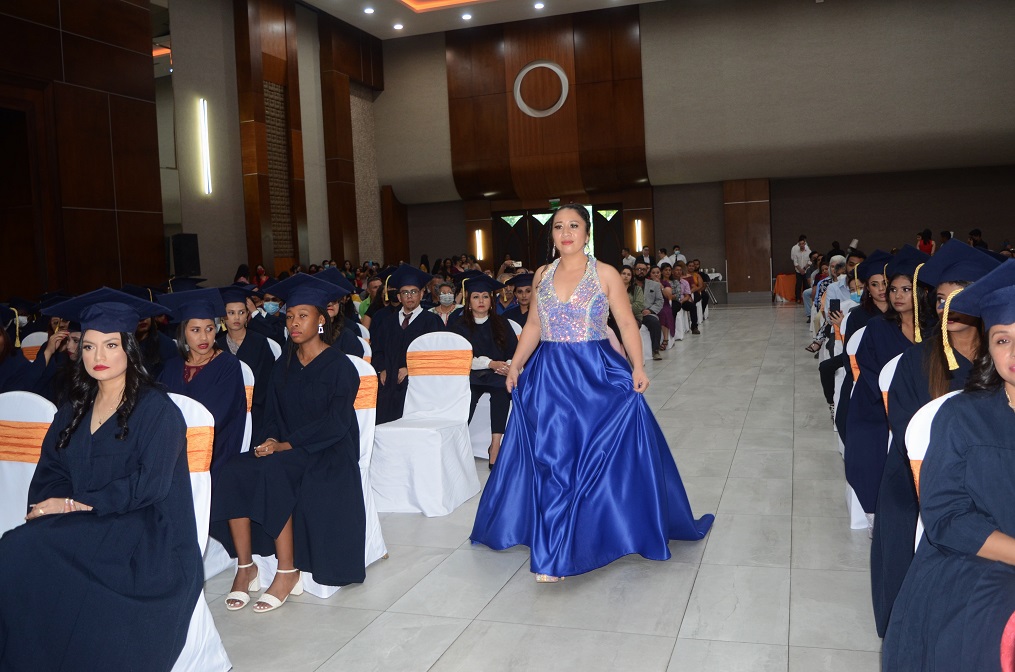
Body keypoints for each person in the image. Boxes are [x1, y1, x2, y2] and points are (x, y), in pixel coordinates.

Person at [470, 205, 713, 582]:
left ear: (586, 233)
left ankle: (588, 535)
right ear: (552, 235)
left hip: (594, 374)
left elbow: (628, 323)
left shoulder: (605, 273)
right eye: (558, 227)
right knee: (554, 459)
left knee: (591, 459)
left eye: (574, 225)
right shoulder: (542, 275)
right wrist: (516, 364)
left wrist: (637, 366)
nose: (565, 232)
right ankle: (554, 547)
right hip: (549, 374)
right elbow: (534, 324)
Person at [0, 288, 202, 671]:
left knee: (27, 549)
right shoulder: (75, 406)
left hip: (145, 532)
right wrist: (56, 501)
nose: (98, 357)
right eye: (89, 347)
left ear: (129, 347)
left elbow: (151, 485)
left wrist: (75, 504)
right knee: (17, 546)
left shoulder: (157, 410)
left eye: (110, 345)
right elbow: (52, 468)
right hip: (89, 522)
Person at [882, 259, 1015, 671]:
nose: (1014, 352)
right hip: (973, 565)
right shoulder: (962, 416)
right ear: (990, 349)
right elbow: (947, 516)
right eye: (1003, 339)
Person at [210, 273, 365, 613]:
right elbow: (272, 414)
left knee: (276, 470)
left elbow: (335, 424)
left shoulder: (340, 366)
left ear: (321, 321)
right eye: (290, 316)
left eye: (303, 316)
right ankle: (246, 566)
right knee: (233, 468)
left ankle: (287, 571)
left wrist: (287, 445)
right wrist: (269, 438)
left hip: (327, 452)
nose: (294, 323)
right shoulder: (283, 365)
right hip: (287, 448)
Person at [844, 245, 931, 534]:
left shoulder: (935, 330)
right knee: (867, 442)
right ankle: (876, 515)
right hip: (879, 407)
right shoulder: (878, 328)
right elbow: (869, 374)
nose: (896, 296)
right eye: (893, 290)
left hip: (928, 406)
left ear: (921, 292)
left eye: (905, 289)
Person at [157, 289, 246, 484]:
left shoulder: (228, 365)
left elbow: (219, 415)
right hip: (174, 444)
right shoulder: (172, 366)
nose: (204, 337)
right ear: (183, 332)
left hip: (214, 447)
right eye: (195, 330)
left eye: (209, 328)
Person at [453, 276, 518, 468]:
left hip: (499, 375)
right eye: (475, 297)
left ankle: (496, 445)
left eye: (485, 296)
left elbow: (514, 352)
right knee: (468, 395)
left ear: (491, 300)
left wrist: (507, 367)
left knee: (501, 390)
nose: (481, 301)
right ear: (468, 301)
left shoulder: (502, 323)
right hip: (471, 374)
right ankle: (458, 444)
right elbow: (461, 357)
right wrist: (490, 364)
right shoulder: (459, 326)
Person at [371, 264, 443, 424]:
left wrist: (412, 368)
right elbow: (377, 349)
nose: (409, 296)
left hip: (418, 385)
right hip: (388, 383)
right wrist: (381, 369)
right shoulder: (387, 322)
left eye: (414, 292)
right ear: (399, 297)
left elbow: (435, 355)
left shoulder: (431, 321)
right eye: (405, 292)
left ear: (422, 294)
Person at [834, 250, 893, 437]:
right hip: (864, 379)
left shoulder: (903, 314)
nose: (881, 289)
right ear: (867, 287)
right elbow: (848, 358)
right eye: (875, 285)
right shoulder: (857, 316)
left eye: (885, 283)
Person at [217, 285, 276, 443]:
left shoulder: (259, 342)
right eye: (231, 313)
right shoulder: (216, 345)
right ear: (223, 316)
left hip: (256, 411)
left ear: (247, 315)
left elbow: (267, 381)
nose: (236, 318)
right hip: (224, 412)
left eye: (241, 312)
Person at [633, 260, 664, 360]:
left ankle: (655, 350)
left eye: (643, 269)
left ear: (647, 271)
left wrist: (650, 311)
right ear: (634, 271)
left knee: (654, 322)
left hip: (647, 313)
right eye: (638, 269)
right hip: (632, 313)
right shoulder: (629, 285)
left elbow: (660, 300)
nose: (640, 271)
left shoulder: (654, 285)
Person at [651, 265, 674, 349]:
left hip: (664, 304)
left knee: (664, 312)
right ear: (650, 274)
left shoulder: (665, 283)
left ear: (660, 273)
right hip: (651, 305)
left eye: (657, 272)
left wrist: (661, 286)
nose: (656, 274)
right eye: (653, 273)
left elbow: (669, 296)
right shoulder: (648, 282)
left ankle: (665, 339)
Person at [672, 262, 698, 335]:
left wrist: (682, 301)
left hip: (682, 301)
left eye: (680, 270)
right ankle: (673, 328)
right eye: (677, 270)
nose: (679, 272)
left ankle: (694, 327)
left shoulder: (684, 282)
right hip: (673, 300)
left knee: (693, 306)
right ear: (673, 271)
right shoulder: (671, 282)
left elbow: (687, 295)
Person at [792, 235, 812, 302]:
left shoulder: (809, 251)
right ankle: (798, 298)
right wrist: (800, 269)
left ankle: (805, 298)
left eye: (803, 244)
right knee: (798, 285)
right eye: (800, 244)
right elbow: (795, 262)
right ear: (798, 244)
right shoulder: (796, 252)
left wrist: (804, 268)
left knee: (806, 285)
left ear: (805, 244)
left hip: (806, 271)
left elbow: (810, 261)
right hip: (798, 271)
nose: (801, 245)